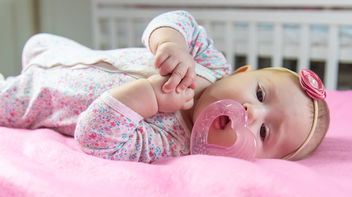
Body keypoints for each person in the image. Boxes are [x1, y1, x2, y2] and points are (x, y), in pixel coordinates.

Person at [0, 10, 329, 163]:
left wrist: (151, 98)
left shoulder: (175, 143)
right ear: (240, 71)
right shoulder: (212, 65)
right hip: (70, 54)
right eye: (259, 94)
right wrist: (172, 44)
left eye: (264, 133)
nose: (252, 113)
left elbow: (96, 138)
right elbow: (178, 20)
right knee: (41, 44)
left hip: (37, 97)